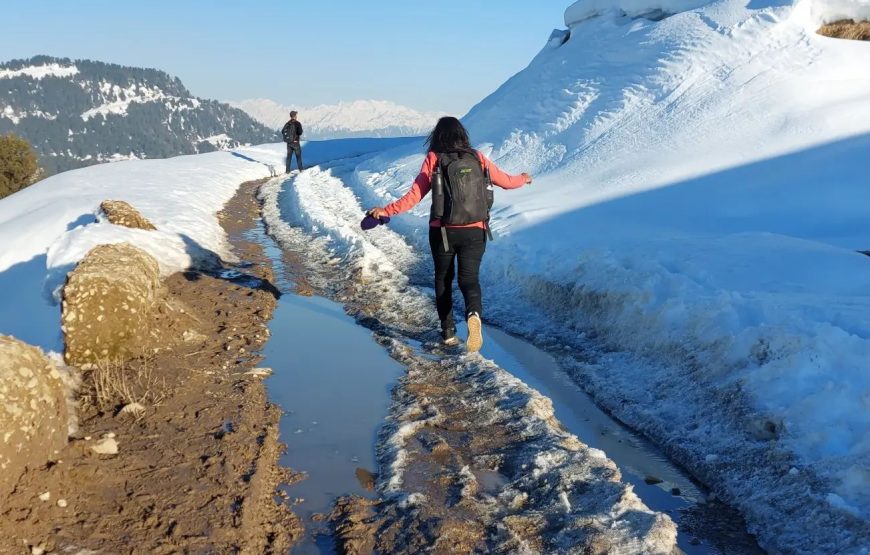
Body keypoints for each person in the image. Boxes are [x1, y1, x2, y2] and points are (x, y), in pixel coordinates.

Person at [367, 117, 532, 352]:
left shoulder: (434, 158)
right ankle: (473, 314)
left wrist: (386, 210)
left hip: (443, 231)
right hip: (476, 230)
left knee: (443, 279)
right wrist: (524, 178)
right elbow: (506, 182)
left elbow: (414, 195)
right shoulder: (477, 157)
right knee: (469, 279)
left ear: (437, 136)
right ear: (462, 134)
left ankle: (448, 332)